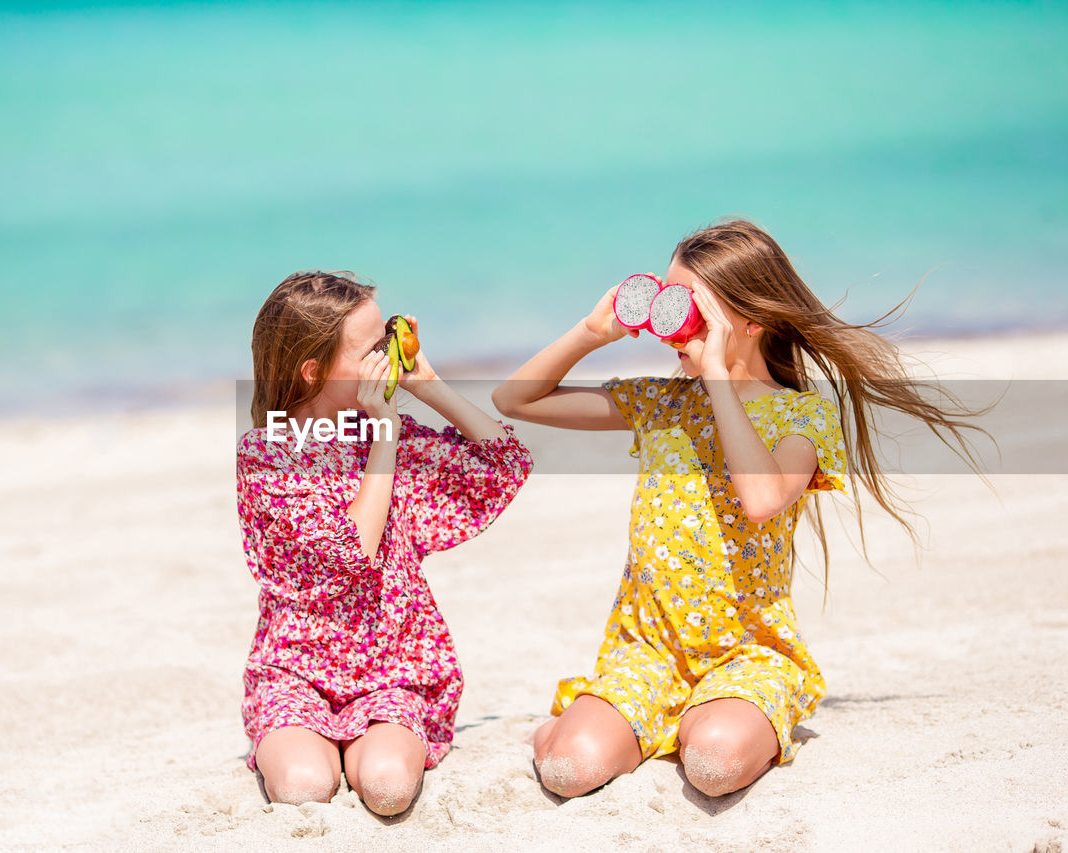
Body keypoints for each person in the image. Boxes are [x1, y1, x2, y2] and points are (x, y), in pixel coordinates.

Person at [492, 219, 986, 798]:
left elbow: (761, 499)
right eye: (665, 301)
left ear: (750, 322)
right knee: (568, 770)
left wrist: (719, 377)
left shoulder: (803, 418)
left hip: (746, 654)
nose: (669, 323)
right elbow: (514, 399)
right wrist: (591, 332)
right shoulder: (662, 400)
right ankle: (609, 722)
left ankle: (717, 718)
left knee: (715, 765)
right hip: (649, 649)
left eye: (690, 308)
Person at [237, 270, 533, 815]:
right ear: (313, 370)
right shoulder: (266, 457)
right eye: (374, 348)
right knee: (303, 787)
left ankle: (367, 742)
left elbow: (506, 463)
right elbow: (352, 552)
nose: (388, 357)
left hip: (393, 666)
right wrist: (386, 441)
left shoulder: (382, 428)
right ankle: (312, 742)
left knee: (389, 786)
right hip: (298, 669)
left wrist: (429, 387)